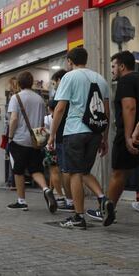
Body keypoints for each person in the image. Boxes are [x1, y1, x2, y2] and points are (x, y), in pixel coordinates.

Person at [48, 47, 114, 229]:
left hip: (75, 131)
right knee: (84, 171)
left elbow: (60, 109)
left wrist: (52, 135)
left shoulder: (69, 77)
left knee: (75, 173)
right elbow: (107, 112)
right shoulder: (101, 79)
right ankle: (103, 199)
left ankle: (78, 217)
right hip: (95, 133)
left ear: (70, 61)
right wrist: (104, 137)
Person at [87, 51, 139, 220]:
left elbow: (129, 107)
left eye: (113, 66)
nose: (112, 70)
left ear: (122, 66)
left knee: (119, 173)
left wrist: (128, 136)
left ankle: (106, 211)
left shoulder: (125, 81)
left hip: (131, 134)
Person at [6, 71, 57, 213]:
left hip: (19, 140)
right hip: (36, 140)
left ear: (19, 83)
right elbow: (41, 121)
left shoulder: (16, 98)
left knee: (18, 170)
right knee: (35, 169)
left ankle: (21, 201)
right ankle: (46, 189)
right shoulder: (40, 99)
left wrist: (10, 137)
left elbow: (14, 119)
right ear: (31, 82)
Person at [48, 70, 75, 212]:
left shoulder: (63, 92)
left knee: (65, 169)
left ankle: (70, 201)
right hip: (74, 132)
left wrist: (51, 135)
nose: (55, 86)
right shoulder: (75, 90)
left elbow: (58, 110)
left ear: (60, 80)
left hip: (63, 134)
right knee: (77, 171)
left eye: (54, 83)